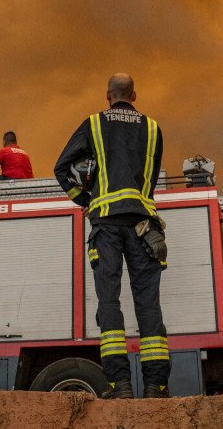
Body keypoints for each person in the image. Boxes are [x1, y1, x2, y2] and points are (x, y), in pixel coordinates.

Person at [53, 73, 170, 399]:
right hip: (144, 226)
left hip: (105, 224)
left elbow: (61, 168)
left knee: (109, 302)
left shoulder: (93, 124)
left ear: (108, 95)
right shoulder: (152, 128)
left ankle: (121, 385)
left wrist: (86, 200)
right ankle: (156, 386)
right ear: (134, 95)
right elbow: (151, 176)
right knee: (149, 304)